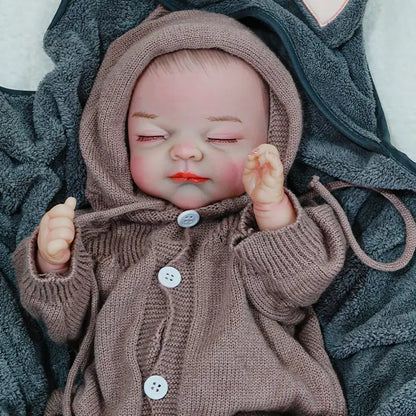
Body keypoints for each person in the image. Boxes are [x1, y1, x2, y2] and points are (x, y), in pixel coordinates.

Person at [13, 6, 348, 415]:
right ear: (117, 142)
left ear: (270, 142)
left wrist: (273, 208)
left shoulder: (256, 228)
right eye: (151, 135)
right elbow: (64, 326)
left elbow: (297, 289)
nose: (185, 151)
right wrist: (54, 265)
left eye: (222, 138)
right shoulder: (103, 236)